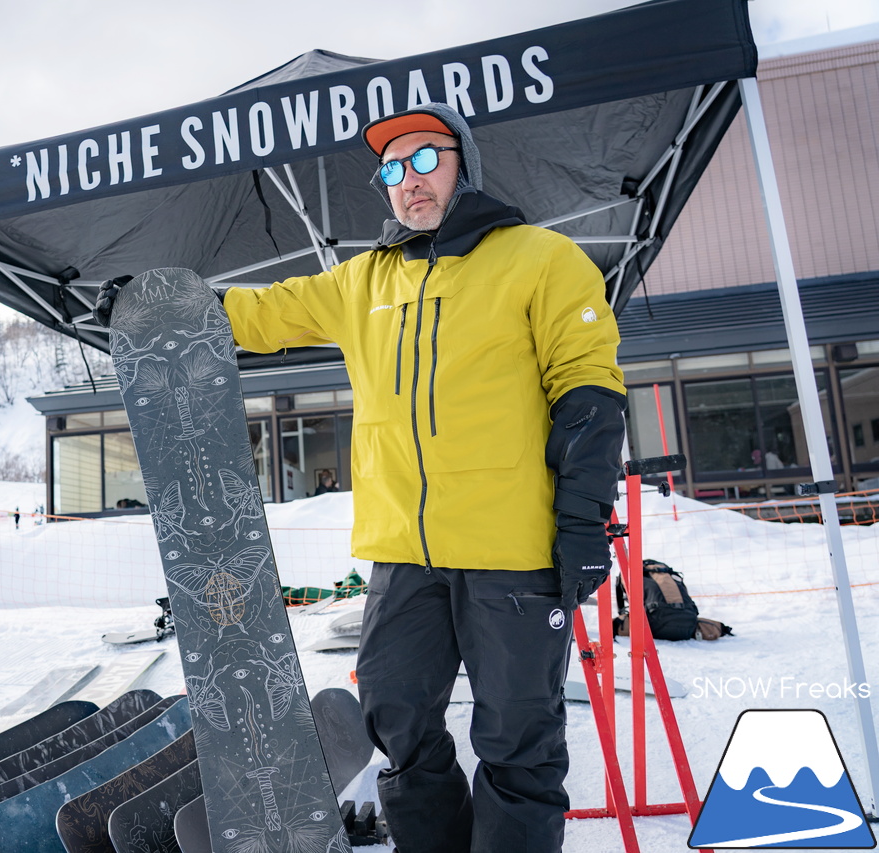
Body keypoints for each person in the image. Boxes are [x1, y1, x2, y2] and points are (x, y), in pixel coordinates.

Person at [95, 103, 625, 853]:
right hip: (404, 553)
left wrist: (582, 521)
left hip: (513, 551)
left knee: (518, 740)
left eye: (423, 159)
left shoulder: (540, 259)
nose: (406, 181)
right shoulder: (363, 281)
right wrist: (154, 304)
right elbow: (261, 312)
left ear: (462, 163)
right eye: (390, 169)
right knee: (395, 715)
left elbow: (589, 395)